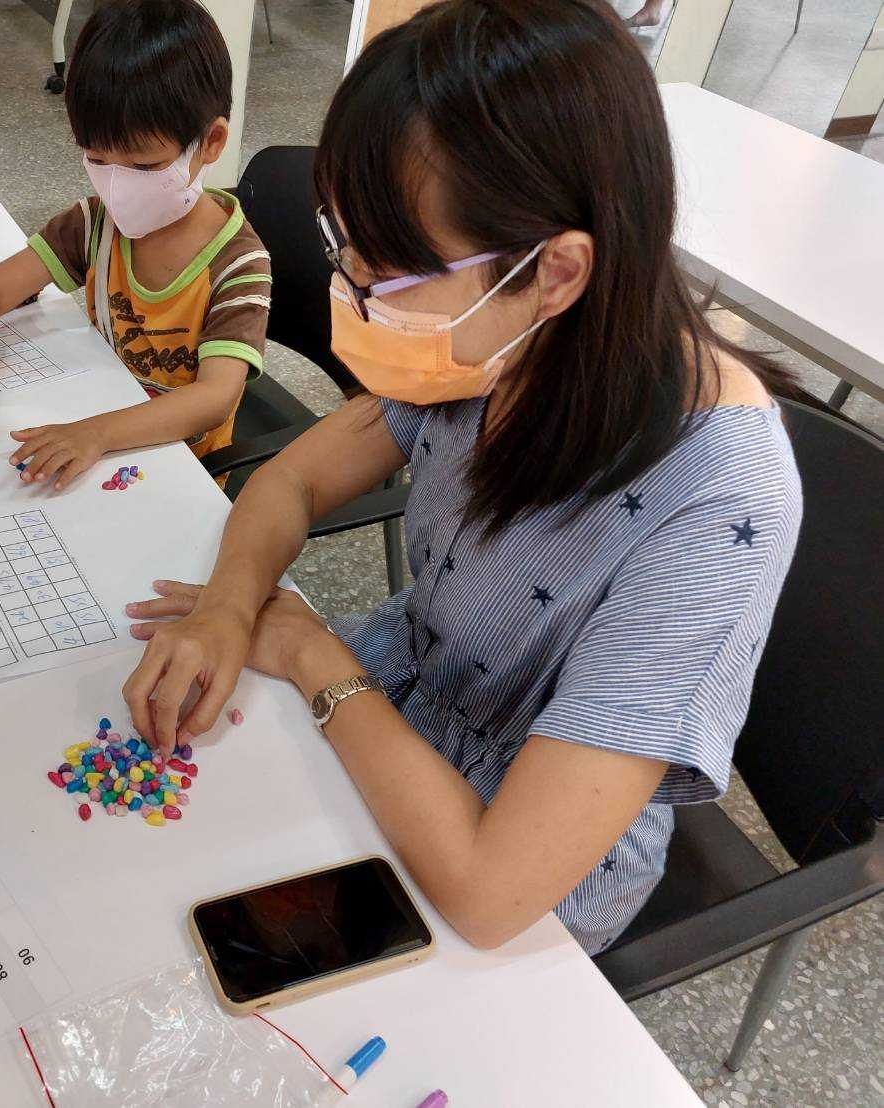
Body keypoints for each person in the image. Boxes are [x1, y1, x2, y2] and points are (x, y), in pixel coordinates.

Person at [120, 0, 802, 955]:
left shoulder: (720, 496)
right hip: (395, 700)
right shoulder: (491, 345)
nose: (351, 297)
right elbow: (290, 485)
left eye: (388, 275)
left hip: (515, 861)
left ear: (555, 271)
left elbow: (489, 893)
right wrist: (232, 610)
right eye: (343, 251)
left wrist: (315, 657)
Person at [0, 0, 271, 490]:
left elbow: (214, 398)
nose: (118, 186)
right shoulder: (93, 224)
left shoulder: (239, 264)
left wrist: (97, 434)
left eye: (145, 166)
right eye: (96, 158)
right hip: (90, 432)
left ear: (210, 142)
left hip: (180, 468)